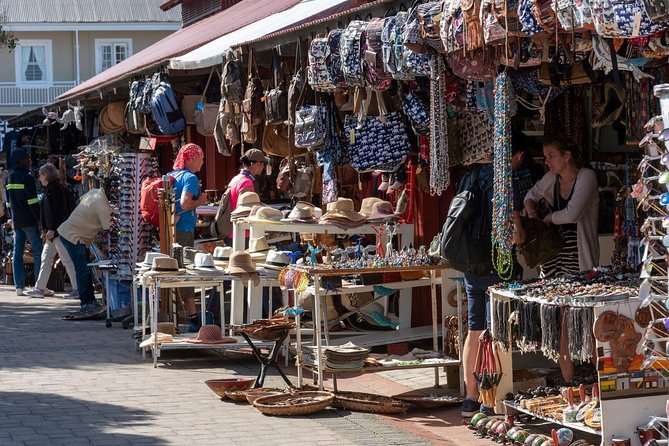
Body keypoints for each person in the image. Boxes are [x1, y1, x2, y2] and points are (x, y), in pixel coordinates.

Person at [461, 144, 539, 418]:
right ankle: (491, 398)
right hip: (498, 265)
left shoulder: (470, 177)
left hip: (472, 265)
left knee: (474, 331)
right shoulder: (505, 186)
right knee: (497, 333)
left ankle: (470, 398)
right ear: (516, 154)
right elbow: (515, 237)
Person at [522, 135, 599, 380]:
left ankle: (599, 376)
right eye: (545, 157)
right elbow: (528, 197)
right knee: (561, 320)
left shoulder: (586, 177)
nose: (547, 162)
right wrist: (534, 213)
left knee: (586, 318)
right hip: (553, 258)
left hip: (579, 257)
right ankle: (568, 381)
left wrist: (546, 219)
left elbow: (573, 213)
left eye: (551, 156)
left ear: (567, 157)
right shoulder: (551, 179)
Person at [25, 163, 78, 299]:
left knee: (66, 260)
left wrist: (52, 229)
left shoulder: (55, 189)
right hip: (53, 232)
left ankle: (77, 289)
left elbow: (58, 211)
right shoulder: (52, 188)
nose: (39, 179)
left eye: (41, 175)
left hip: (57, 232)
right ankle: (39, 288)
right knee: (47, 259)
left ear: (46, 175)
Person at [57, 188, 112, 319]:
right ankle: (86, 303)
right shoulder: (103, 206)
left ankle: (89, 301)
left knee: (84, 269)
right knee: (83, 271)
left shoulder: (95, 192)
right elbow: (108, 228)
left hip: (70, 233)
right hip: (74, 236)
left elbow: (79, 201)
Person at [170, 143, 208, 331]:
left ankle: (174, 315)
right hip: (184, 231)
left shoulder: (172, 175)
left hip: (170, 229)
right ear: (192, 159)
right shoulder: (190, 178)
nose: (202, 162)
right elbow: (185, 203)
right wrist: (200, 201)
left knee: (171, 271)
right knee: (186, 271)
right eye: (200, 158)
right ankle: (193, 318)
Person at [7, 149, 43, 296]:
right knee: (38, 252)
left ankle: (19, 287)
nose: (30, 161)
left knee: (17, 252)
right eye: (27, 159)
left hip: (17, 221)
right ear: (21, 160)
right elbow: (33, 202)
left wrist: (11, 217)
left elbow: (9, 203)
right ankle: (38, 285)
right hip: (29, 220)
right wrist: (39, 219)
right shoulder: (27, 178)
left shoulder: (10, 178)